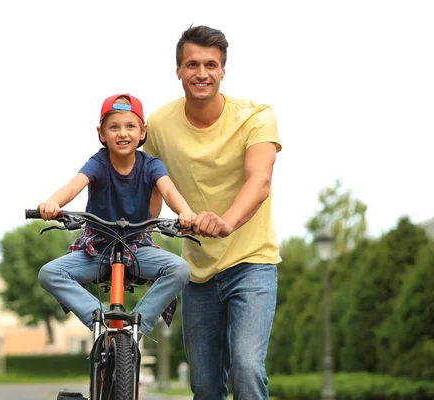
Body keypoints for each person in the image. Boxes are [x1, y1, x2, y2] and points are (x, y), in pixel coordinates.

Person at [144, 25, 283, 399]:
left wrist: (226, 222)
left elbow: (260, 181)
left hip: (252, 263)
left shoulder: (256, 117)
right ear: (178, 70)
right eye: (192, 64)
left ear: (223, 70)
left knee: (247, 368)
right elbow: (150, 183)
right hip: (199, 273)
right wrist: (139, 239)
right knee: (204, 385)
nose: (201, 73)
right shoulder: (157, 125)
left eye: (210, 65)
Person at [37, 93, 196, 335]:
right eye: (114, 127)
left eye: (130, 126)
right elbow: (73, 186)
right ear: (101, 133)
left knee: (180, 269)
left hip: (137, 247)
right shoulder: (99, 163)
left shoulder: (151, 165)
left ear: (143, 132)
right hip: (97, 249)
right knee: (49, 273)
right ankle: (99, 321)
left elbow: (169, 190)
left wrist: (185, 212)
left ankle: (136, 327)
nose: (122, 133)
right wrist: (52, 204)